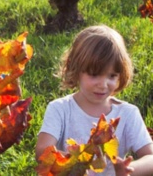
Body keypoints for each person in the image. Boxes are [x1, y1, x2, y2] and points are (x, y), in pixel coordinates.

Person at [35, 25, 153, 176]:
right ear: (75, 68)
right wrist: (75, 164)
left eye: (111, 76)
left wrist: (128, 170)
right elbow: (42, 151)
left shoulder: (127, 113)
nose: (103, 85)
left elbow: (151, 158)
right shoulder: (60, 109)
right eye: (94, 75)